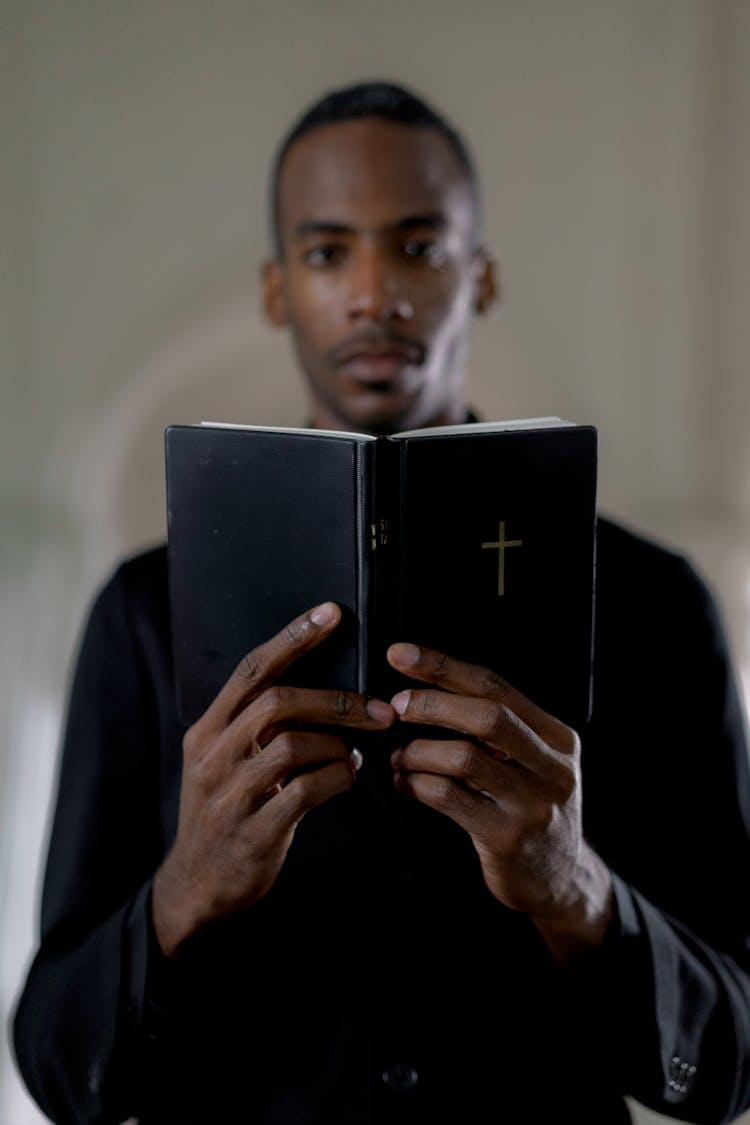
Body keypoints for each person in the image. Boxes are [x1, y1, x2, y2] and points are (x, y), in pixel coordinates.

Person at [11, 81, 750, 1125]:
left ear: (481, 275)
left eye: (418, 246)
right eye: (327, 253)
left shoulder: (655, 606)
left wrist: (575, 889)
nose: (372, 293)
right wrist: (188, 887)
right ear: (277, 290)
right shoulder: (142, 611)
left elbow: (730, 1065)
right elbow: (57, 1071)